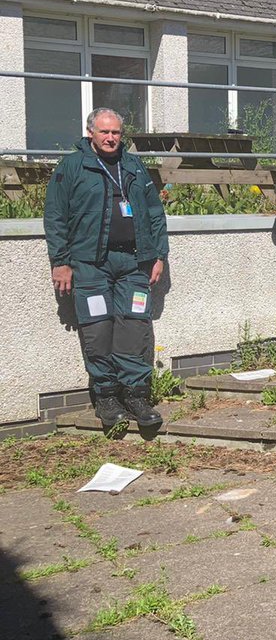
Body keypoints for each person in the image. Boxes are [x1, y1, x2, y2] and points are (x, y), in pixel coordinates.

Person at [44, 108, 169, 431]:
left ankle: (136, 396)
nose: (111, 138)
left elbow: (155, 212)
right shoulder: (72, 167)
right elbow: (56, 217)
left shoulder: (133, 164)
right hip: (90, 264)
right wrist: (61, 262)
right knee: (97, 329)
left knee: (133, 327)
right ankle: (107, 399)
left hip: (133, 263)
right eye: (104, 132)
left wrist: (159, 255)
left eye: (116, 132)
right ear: (91, 134)